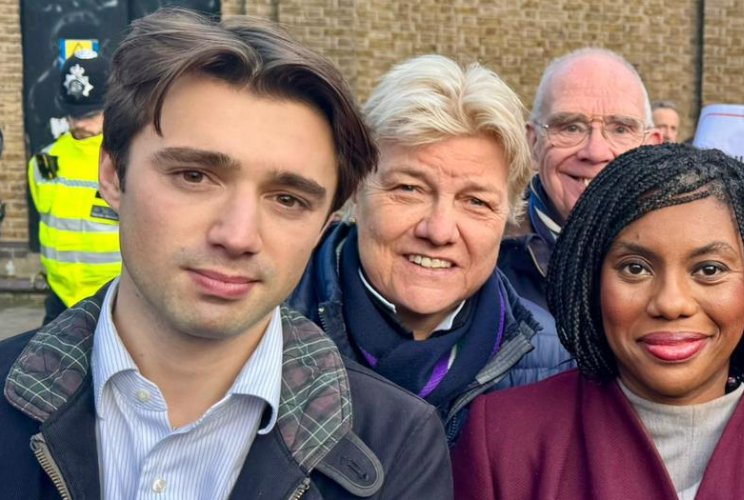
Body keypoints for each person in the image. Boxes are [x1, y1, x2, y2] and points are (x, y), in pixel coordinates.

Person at [0, 9, 450, 499]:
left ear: (324, 223)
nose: (237, 236)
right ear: (113, 174)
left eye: (288, 199)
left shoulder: (397, 446)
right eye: (194, 176)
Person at [453, 144, 744, 499]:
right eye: (636, 268)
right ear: (592, 280)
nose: (671, 303)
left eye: (709, 269)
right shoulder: (505, 442)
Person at [285, 55, 543, 441]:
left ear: (509, 215)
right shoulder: (261, 330)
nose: (439, 231)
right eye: (409, 188)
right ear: (356, 187)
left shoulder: (556, 365)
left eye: (476, 202)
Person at [497, 48, 662, 387]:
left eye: (620, 129)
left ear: (653, 145)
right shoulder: (480, 263)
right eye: (570, 127)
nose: (595, 151)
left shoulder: (699, 264)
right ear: (533, 142)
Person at [29, 47, 119, 324]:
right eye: (75, 114)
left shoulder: (127, 159)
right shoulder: (45, 161)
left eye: (91, 114)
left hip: (116, 298)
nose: (81, 124)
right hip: (59, 300)